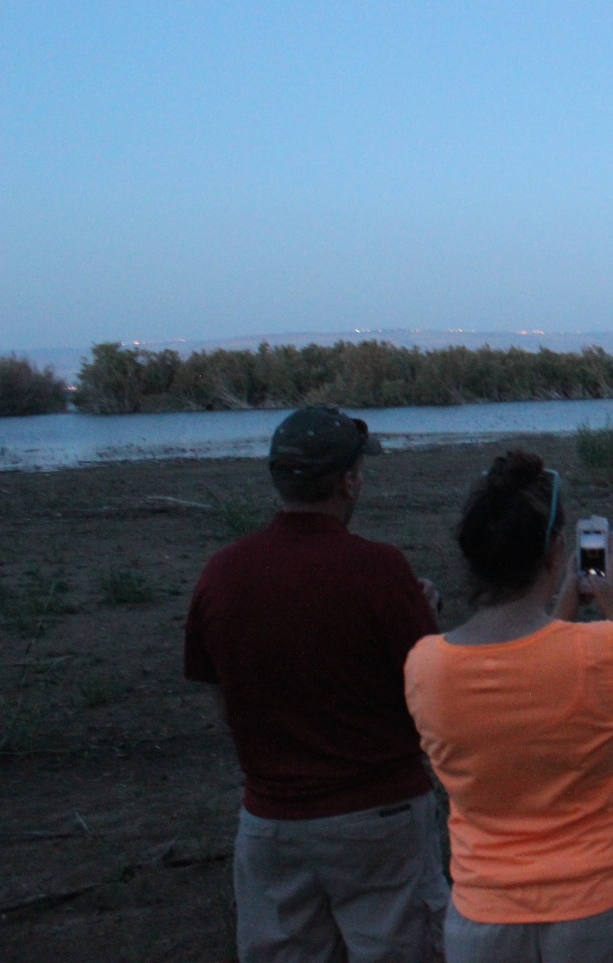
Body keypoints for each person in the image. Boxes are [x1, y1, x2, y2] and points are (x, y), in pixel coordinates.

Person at [184, 405, 450, 963]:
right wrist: (422, 617)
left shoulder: (223, 572)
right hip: (380, 814)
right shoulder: (378, 569)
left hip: (271, 823)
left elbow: (222, 698)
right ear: (348, 482)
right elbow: (432, 693)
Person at [404, 450, 613, 963]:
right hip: (609, 903)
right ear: (556, 551)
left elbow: (524, 668)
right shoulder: (605, 648)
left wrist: (564, 608)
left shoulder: (424, 666)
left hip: (486, 916)